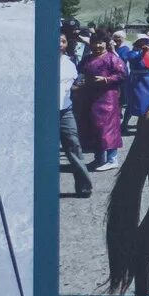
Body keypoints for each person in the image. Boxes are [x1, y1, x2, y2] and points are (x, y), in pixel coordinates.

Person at [80, 30, 124, 171]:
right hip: (90, 97)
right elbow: (79, 72)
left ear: (106, 44)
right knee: (94, 129)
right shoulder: (87, 58)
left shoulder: (112, 58)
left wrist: (106, 79)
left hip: (107, 99)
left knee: (108, 129)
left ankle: (112, 159)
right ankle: (99, 159)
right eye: (95, 42)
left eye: (100, 42)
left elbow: (123, 74)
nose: (97, 45)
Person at [58, 31, 94, 198]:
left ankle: (84, 187)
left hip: (65, 112)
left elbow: (70, 86)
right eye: (57, 41)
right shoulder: (42, 62)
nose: (60, 44)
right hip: (45, 114)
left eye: (63, 41)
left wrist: (81, 86)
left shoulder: (69, 63)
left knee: (74, 147)